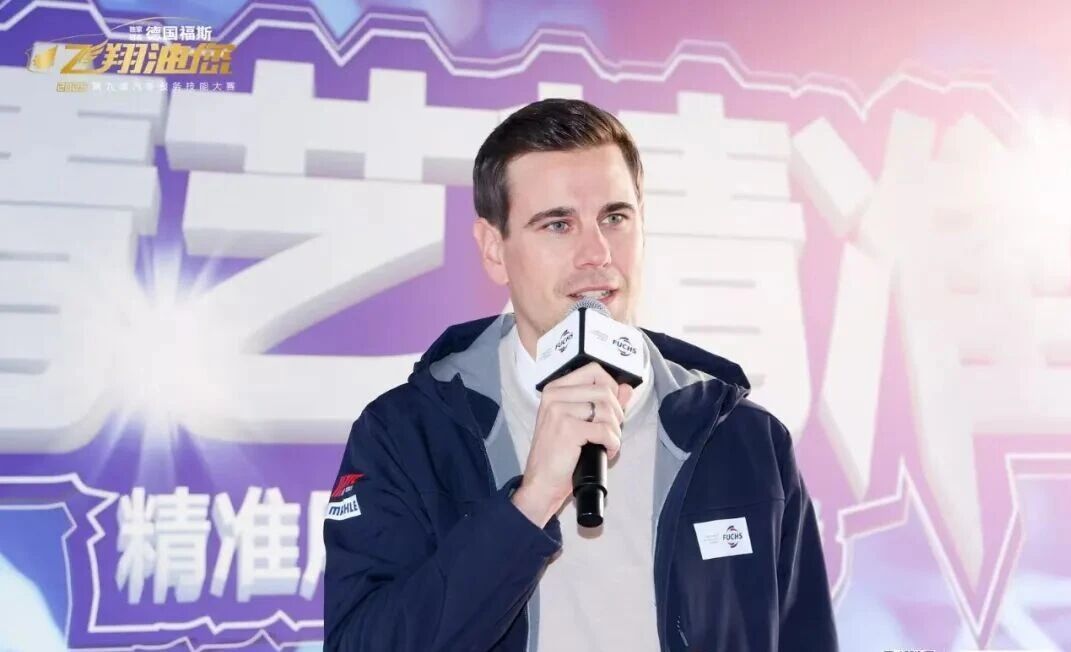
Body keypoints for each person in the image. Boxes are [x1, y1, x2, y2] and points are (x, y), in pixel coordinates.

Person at [323, 98, 838, 651]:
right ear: (494, 249)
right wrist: (529, 504)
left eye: (615, 218)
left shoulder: (744, 439)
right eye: (558, 224)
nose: (596, 253)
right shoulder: (407, 434)